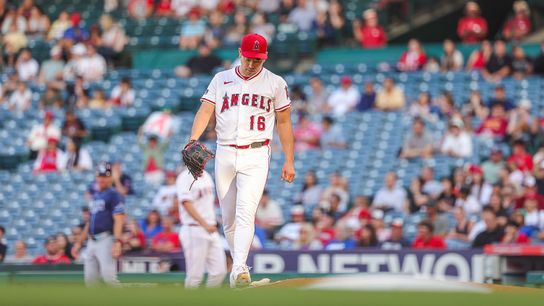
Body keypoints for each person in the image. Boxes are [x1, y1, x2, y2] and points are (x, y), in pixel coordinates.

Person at [186, 33, 295, 288]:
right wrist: (193, 139)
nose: (252, 64)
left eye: (258, 60)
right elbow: (205, 110)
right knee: (228, 219)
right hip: (224, 151)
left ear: (264, 58)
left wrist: (289, 160)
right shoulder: (221, 79)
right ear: (240, 52)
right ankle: (240, 271)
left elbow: (284, 122)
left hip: (257, 153)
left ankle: (237, 270)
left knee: (246, 213)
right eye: (249, 58)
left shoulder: (275, 83)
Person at [72, 162, 125, 286]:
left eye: (105, 176)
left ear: (110, 177)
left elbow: (119, 219)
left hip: (106, 239)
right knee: (90, 281)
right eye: (99, 176)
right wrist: (79, 242)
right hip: (91, 241)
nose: (101, 179)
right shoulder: (95, 195)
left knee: (109, 278)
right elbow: (90, 222)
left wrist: (117, 241)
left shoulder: (114, 195)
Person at [176, 167, 227, 288]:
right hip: (193, 229)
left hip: (210, 229)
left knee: (219, 271)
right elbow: (186, 203)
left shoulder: (207, 176)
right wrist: (205, 224)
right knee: (195, 276)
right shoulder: (184, 177)